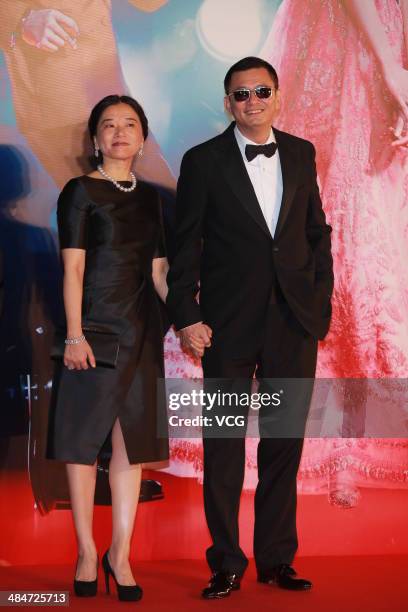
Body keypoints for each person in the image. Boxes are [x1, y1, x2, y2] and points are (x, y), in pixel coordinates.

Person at [166, 56, 333, 599]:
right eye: (242, 94)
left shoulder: (303, 152)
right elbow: (184, 244)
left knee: (284, 443)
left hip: (292, 322)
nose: (253, 101)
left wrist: (319, 304)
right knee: (224, 444)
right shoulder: (203, 161)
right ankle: (227, 563)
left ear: (277, 96)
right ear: (227, 102)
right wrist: (187, 315)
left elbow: (316, 233)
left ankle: (277, 560)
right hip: (225, 326)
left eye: (262, 91)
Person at [261, 0, 408, 507]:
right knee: (341, 226)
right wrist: (390, 66)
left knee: (379, 232)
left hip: (389, 38)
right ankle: (325, 442)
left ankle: (359, 438)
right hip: (347, 42)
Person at [47, 94, 169, 601]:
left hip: (141, 331)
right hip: (93, 330)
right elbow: (72, 268)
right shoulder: (79, 192)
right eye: (108, 125)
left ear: (142, 137)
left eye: (130, 124)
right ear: (95, 138)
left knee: (131, 445)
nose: (119, 132)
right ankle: (84, 549)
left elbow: (160, 272)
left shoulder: (152, 198)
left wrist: (189, 321)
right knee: (81, 443)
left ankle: (120, 553)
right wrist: (73, 334)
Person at [0, 1, 174, 191]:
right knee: (113, 213)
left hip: (109, 91)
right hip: (62, 108)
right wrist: (22, 20)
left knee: (170, 204)